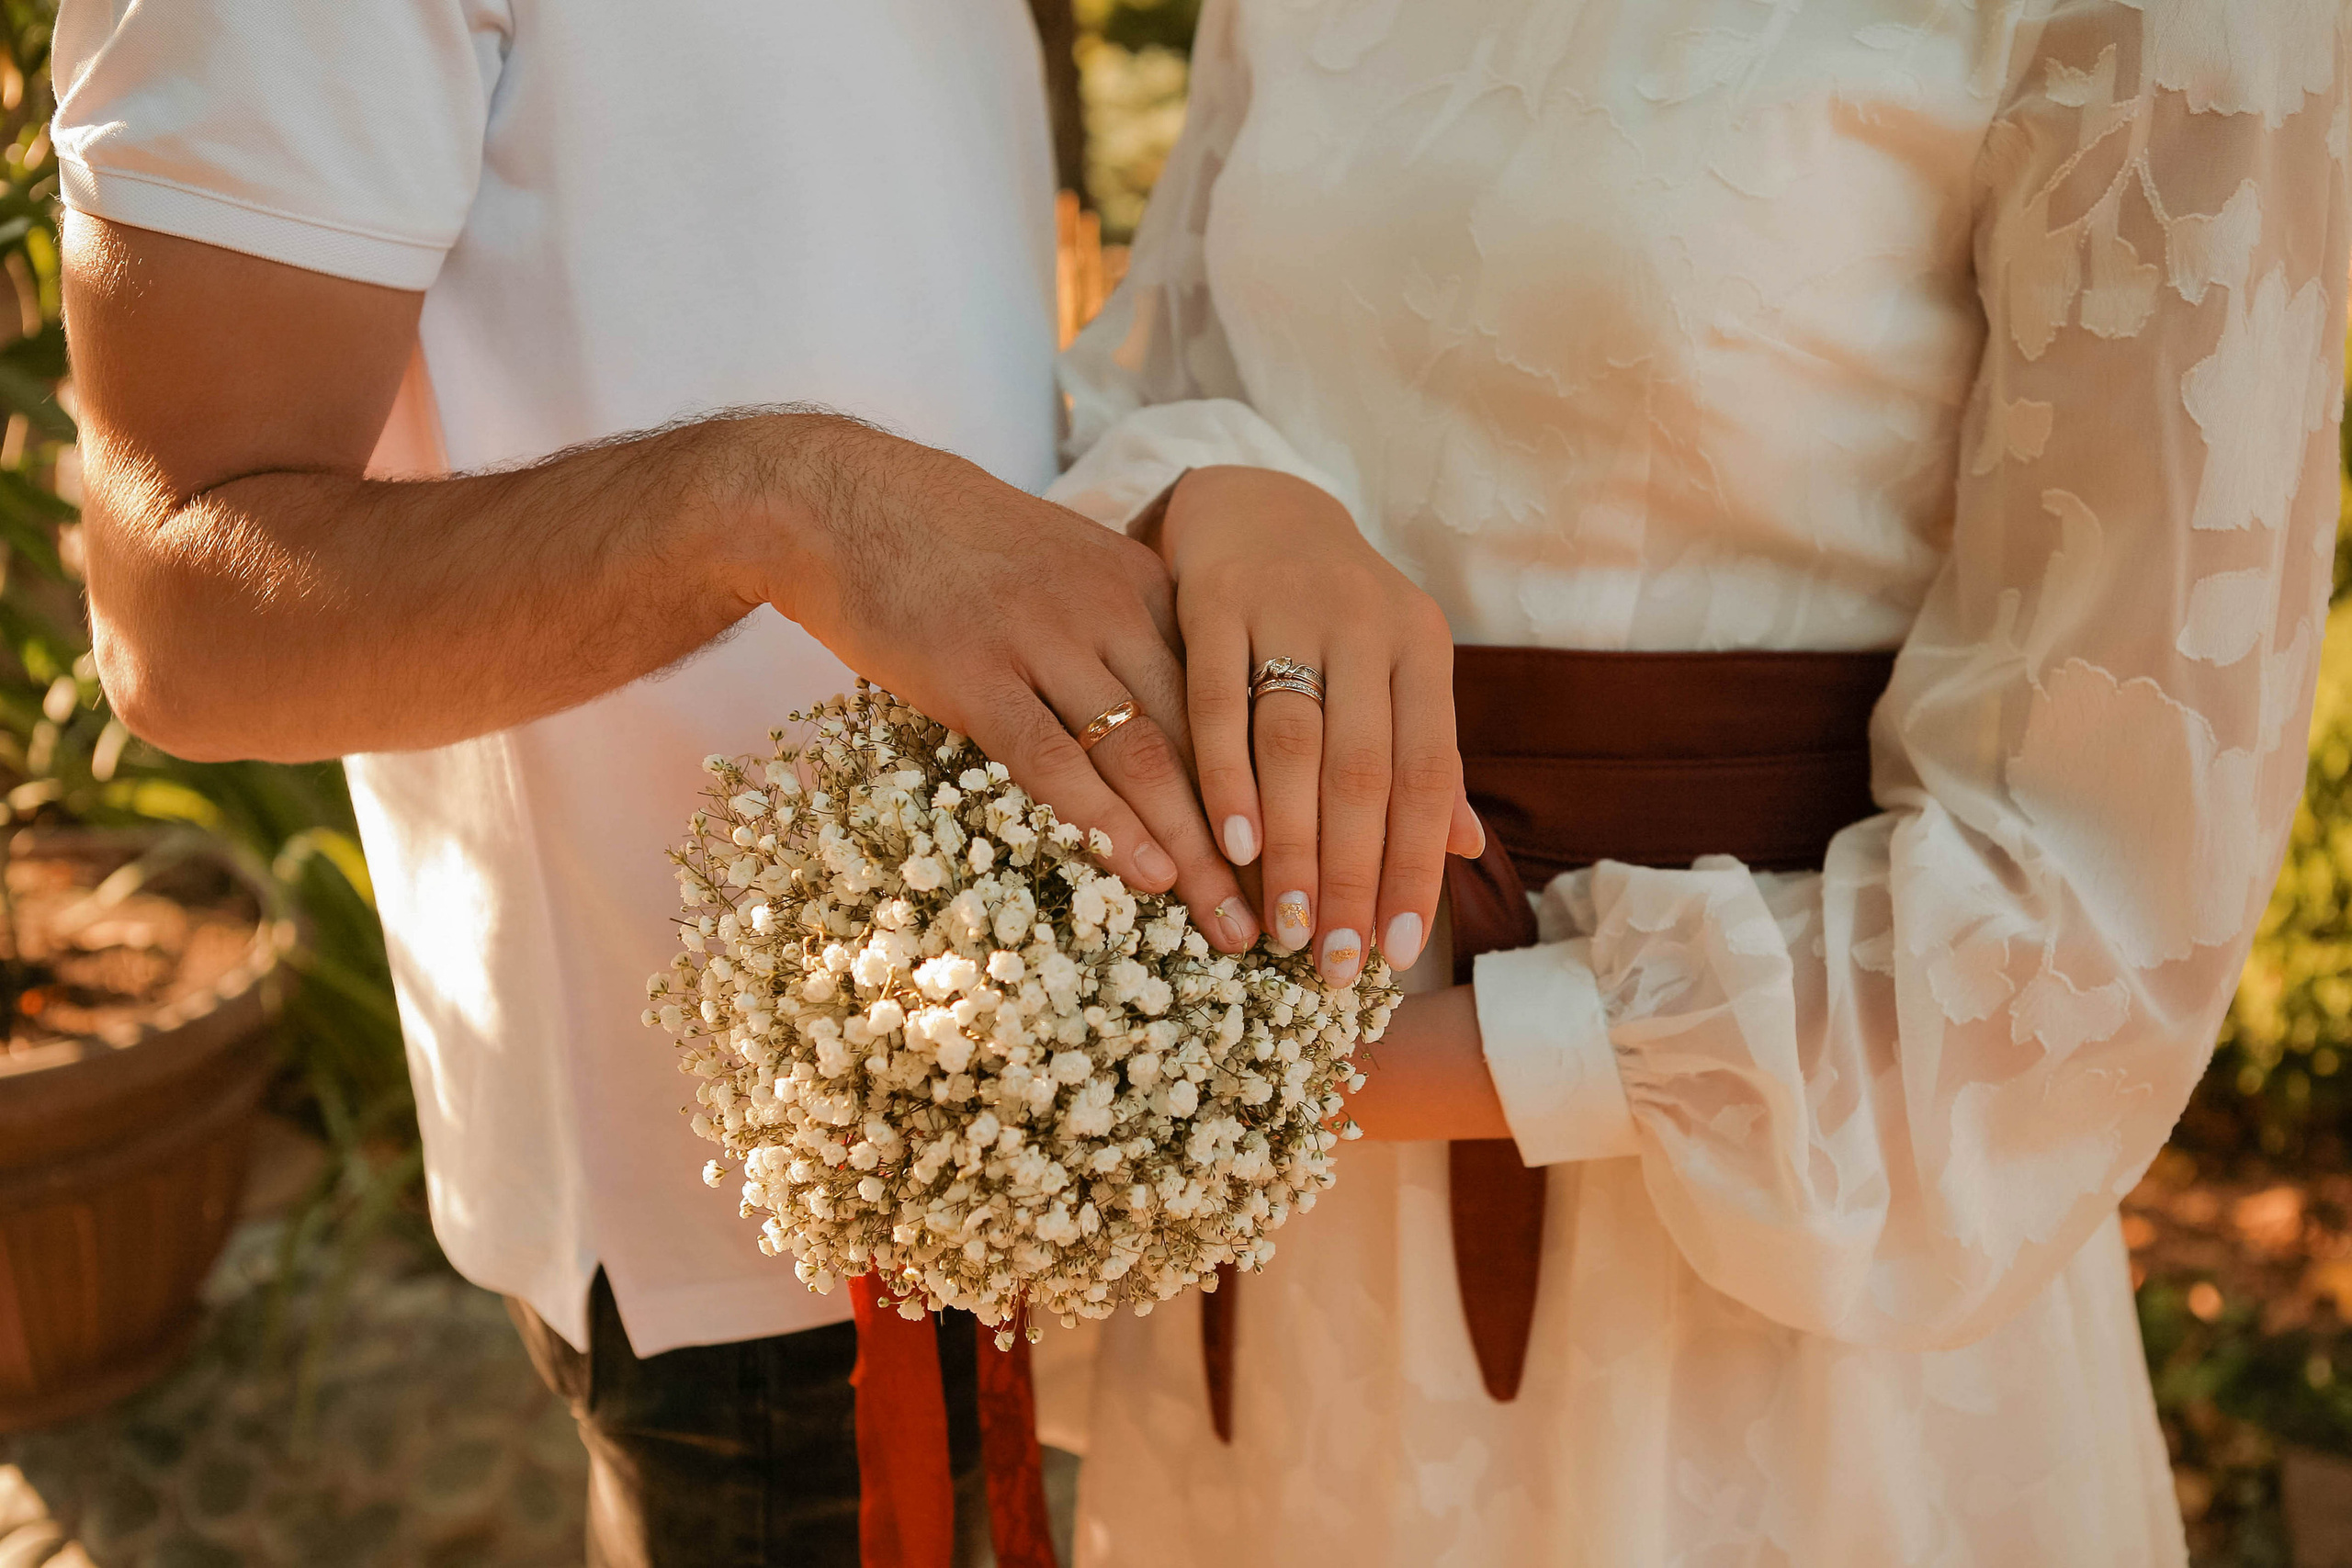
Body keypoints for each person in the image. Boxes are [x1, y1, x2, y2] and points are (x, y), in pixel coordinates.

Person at [44, 2, 1462, 1561]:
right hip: (748, 1237)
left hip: (1043, 1106)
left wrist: (1217, 497)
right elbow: (182, 615)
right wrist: (779, 503)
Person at [1041, 2, 2352, 1563]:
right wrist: (1221, 492)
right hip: (1279, 1237)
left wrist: (1234, 1084)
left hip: (1752, 1246)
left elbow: (2096, 890)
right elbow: (1146, 374)